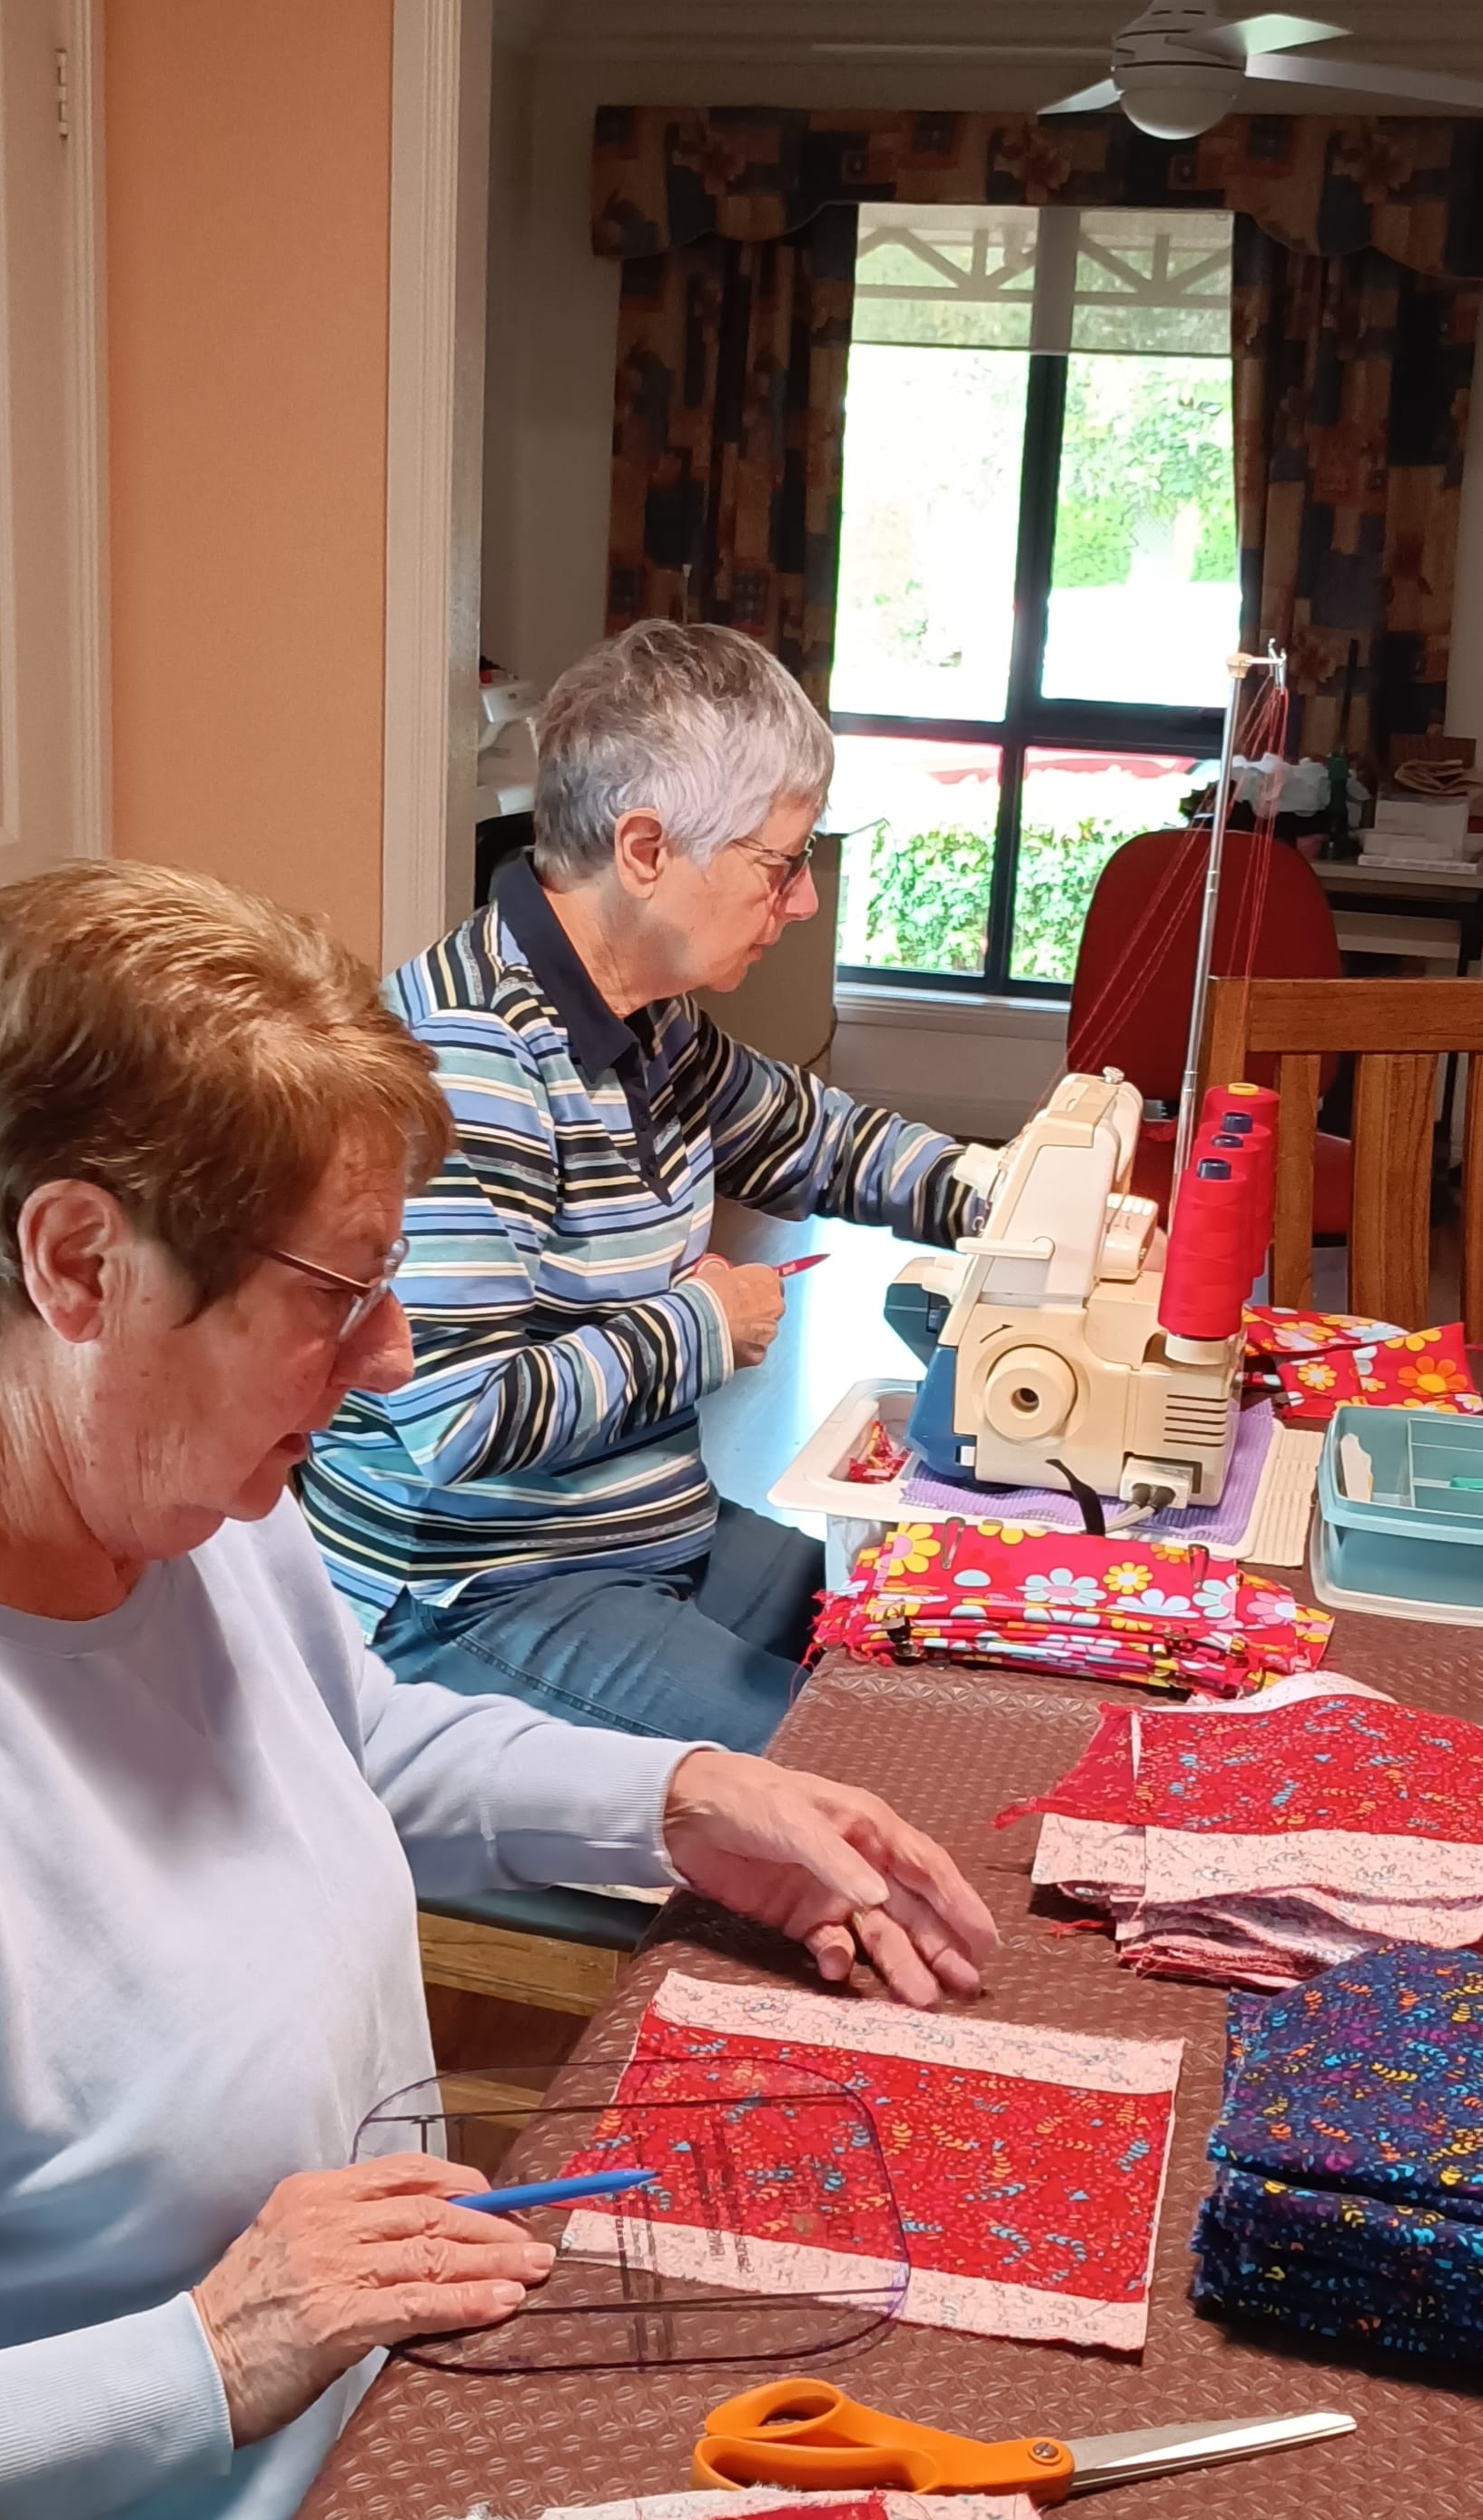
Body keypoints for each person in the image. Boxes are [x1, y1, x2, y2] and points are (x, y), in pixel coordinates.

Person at [0, 860, 993, 2520]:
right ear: (75, 1261)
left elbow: (353, 1740)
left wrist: (675, 1801)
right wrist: (210, 2351)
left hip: (361, 2467)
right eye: (335, 1292)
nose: (390, 1352)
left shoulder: (172, 1496)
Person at [303, 622, 986, 1747]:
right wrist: (702, 1323)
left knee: (929, 1654)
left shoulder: (643, 1019)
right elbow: (461, 1417)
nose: (801, 901)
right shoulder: (469, 1059)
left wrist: (993, 1189)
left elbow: (805, 1133)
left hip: (639, 1536)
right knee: (855, 1757)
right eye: (778, 863)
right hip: (477, 1589)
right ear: (645, 848)